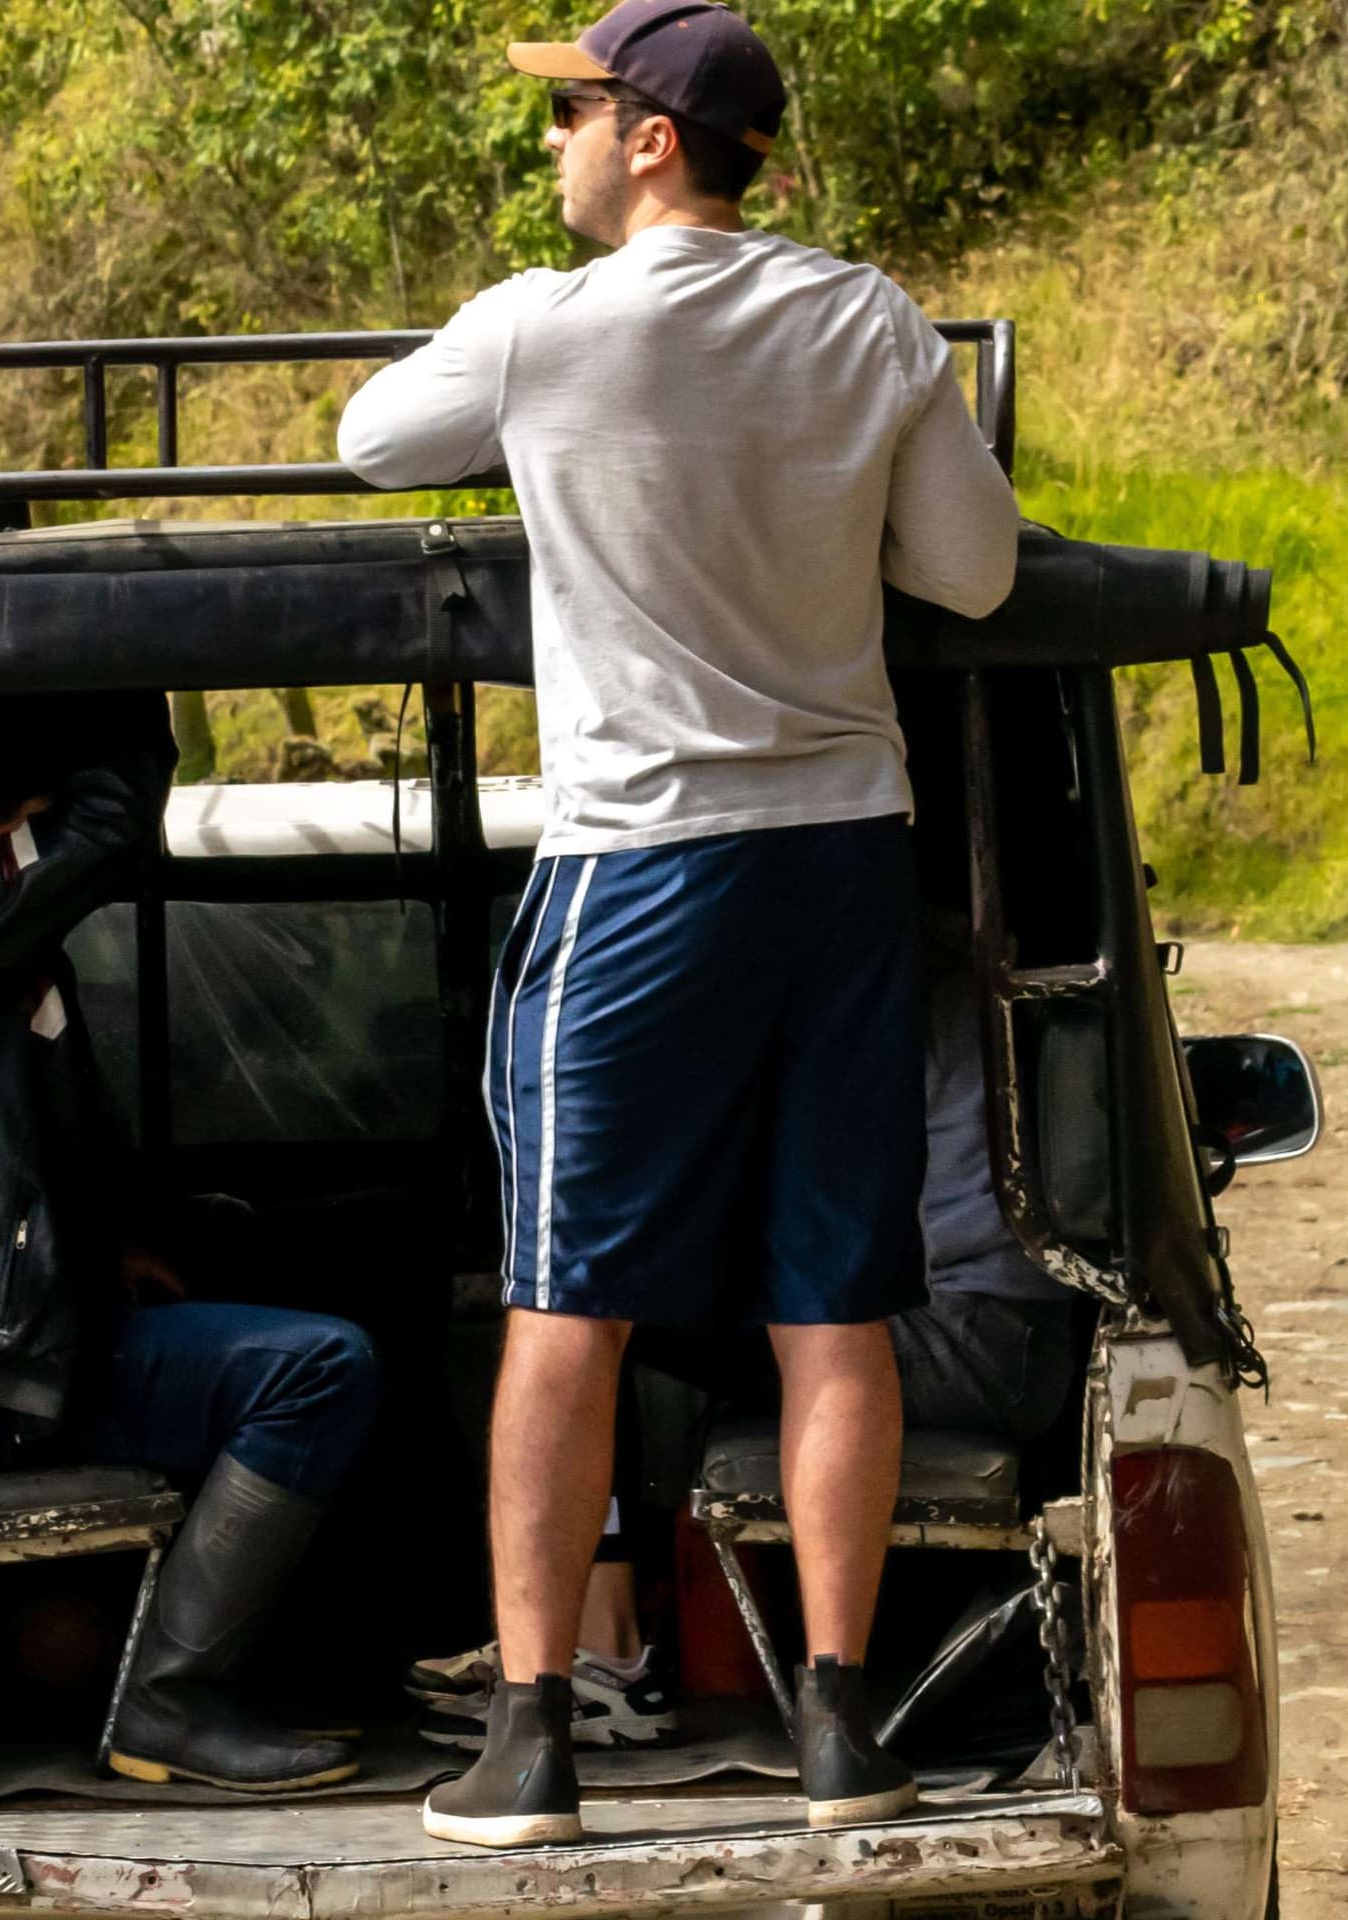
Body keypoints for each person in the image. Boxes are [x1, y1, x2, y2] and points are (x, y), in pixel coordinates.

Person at [338, 0, 1021, 1850]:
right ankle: (836, 1734)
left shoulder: (545, 331)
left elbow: (371, 440)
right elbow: (971, 568)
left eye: (566, 112)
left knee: (569, 1305)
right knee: (837, 1308)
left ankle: (536, 1735)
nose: (546, 143)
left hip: (643, 868)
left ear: (648, 139)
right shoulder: (867, 317)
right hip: (845, 868)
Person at [0, 699, 384, 1794]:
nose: (45, 852)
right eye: (29, 823)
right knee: (320, 1371)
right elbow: (119, 814)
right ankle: (169, 1701)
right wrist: (120, 654)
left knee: (345, 1263)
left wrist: (105, 1240)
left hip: (16, 1339)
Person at [410, 911, 1079, 1750]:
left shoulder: (874, 1003)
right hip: (1019, 1340)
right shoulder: (941, 978)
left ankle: (603, 1655)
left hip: (962, 1336)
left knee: (596, 1322)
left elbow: (789, 1214)